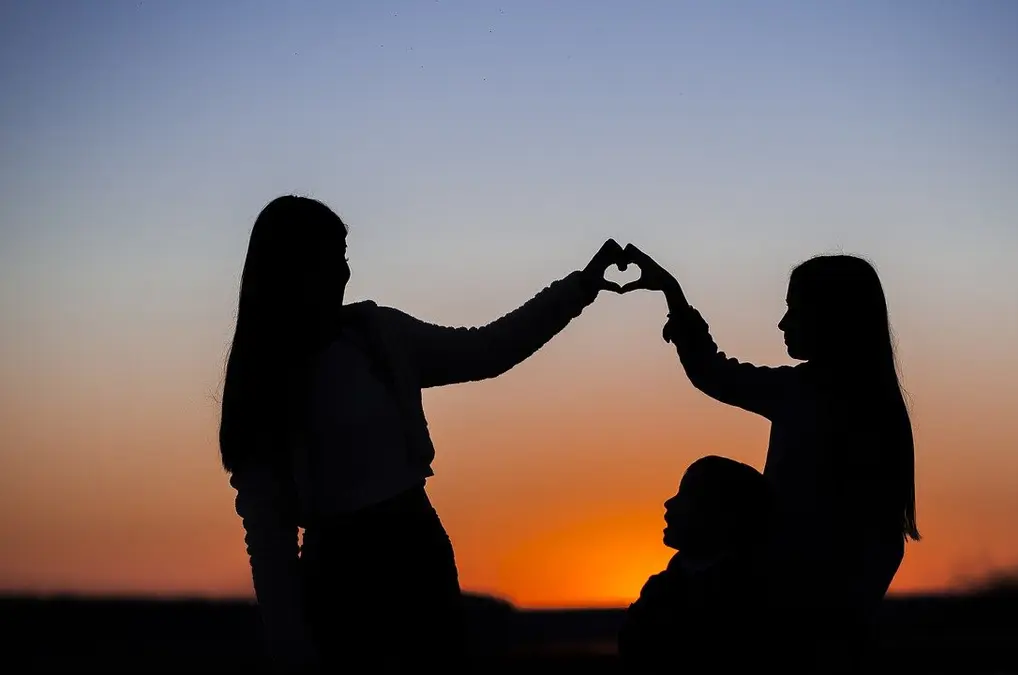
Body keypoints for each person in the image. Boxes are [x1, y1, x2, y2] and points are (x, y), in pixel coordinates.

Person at [218, 195, 628, 672]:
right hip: (343, 586)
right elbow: (269, 541)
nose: (344, 275)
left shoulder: (376, 335)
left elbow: (487, 350)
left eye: (345, 260)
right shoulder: (264, 385)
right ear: (290, 272)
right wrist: (292, 652)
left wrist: (580, 287)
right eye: (329, 261)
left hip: (421, 561)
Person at [619, 244, 920, 671]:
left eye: (795, 309)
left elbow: (714, 374)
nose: (783, 322)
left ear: (833, 317)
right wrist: (673, 297)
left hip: (795, 616)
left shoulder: (811, 395)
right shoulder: (865, 405)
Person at [619, 455, 779, 673]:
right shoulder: (658, 590)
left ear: (725, 514)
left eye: (687, 495)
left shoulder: (752, 592)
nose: (669, 503)